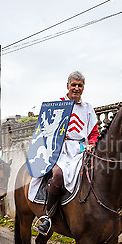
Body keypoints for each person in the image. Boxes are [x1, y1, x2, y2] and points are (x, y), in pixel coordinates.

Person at [30, 71, 99, 235]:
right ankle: (48, 217)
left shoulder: (88, 108)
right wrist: (58, 136)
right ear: (67, 86)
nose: (76, 88)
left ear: (83, 88)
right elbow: (45, 131)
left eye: (80, 85)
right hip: (59, 151)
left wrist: (92, 144)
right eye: (73, 85)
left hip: (81, 150)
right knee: (58, 175)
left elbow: (94, 133)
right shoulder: (57, 106)